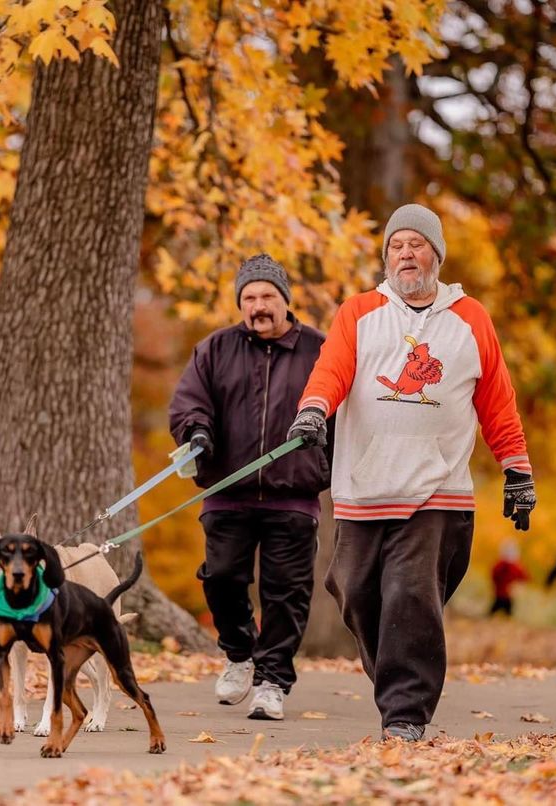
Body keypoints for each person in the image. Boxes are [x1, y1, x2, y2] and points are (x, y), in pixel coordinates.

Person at [286, 203, 536, 742]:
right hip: (363, 488)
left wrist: (517, 470)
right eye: (396, 245)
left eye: (416, 244)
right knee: (354, 593)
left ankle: (405, 713)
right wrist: (313, 409)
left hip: (437, 490)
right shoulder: (358, 311)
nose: (406, 253)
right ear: (386, 257)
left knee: (410, 594)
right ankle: (398, 678)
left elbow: (498, 402)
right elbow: (331, 369)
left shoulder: (471, 319)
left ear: (437, 255)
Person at [169, 254, 330, 721]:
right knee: (221, 577)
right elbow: (188, 403)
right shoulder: (215, 349)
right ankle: (240, 654)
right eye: (250, 297)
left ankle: (272, 681)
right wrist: (197, 432)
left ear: (286, 301)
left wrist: (327, 459)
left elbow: (342, 406)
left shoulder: (320, 349)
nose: (259, 305)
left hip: (294, 490)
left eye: (267, 296)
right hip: (228, 487)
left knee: (287, 591)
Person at [488, 541, 529, 618]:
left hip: (505, 595)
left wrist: (517, 586)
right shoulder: (504, 565)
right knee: (500, 611)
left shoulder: (513, 566)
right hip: (501, 594)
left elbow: (524, 577)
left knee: (504, 611)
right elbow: (524, 577)